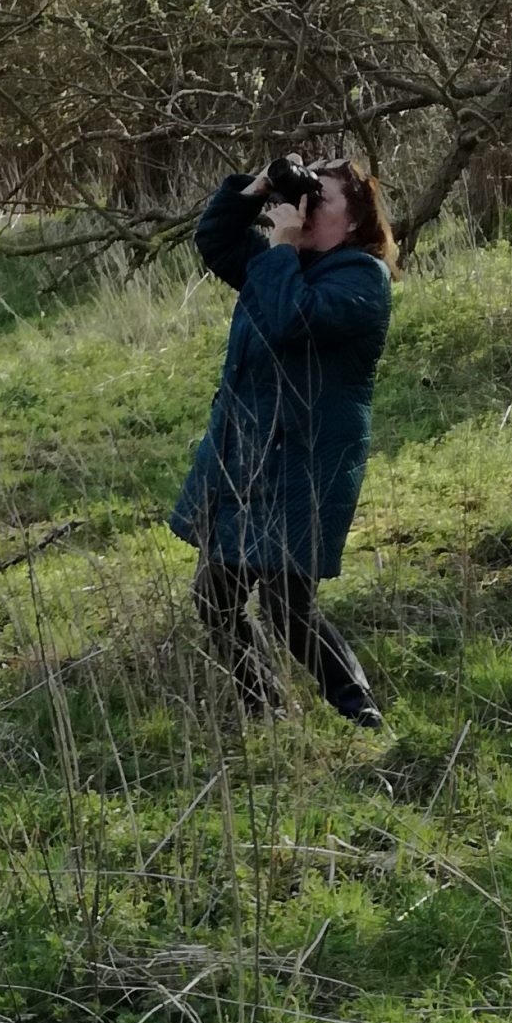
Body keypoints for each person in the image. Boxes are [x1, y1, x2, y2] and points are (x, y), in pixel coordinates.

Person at [169, 155, 396, 727]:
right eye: (307, 192)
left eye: (322, 198)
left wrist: (281, 249)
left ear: (352, 224)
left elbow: (290, 319)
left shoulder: (363, 280)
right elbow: (216, 239)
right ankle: (265, 708)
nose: (307, 204)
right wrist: (261, 188)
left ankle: (358, 712)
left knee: (285, 605)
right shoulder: (284, 264)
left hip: (305, 467)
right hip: (247, 456)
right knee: (215, 597)